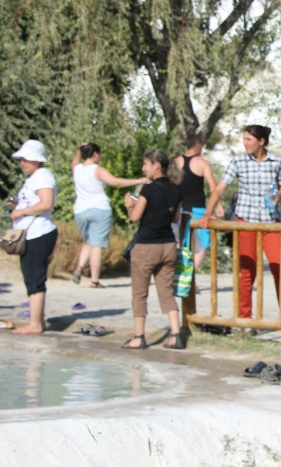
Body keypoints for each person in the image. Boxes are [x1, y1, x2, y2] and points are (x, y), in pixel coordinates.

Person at [198, 124, 281, 321]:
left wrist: (277, 197)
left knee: (279, 268)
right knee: (247, 271)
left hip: (271, 222)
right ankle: (244, 317)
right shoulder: (238, 162)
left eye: (248, 139)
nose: (245, 143)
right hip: (245, 221)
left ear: (261, 141)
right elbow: (220, 188)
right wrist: (207, 213)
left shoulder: (277, 162)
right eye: (244, 139)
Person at [122, 148, 185, 350]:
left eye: (145, 164)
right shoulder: (176, 190)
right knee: (166, 291)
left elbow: (135, 217)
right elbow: (176, 218)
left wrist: (128, 204)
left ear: (156, 165)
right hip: (168, 245)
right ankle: (176, 334)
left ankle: (139, 337)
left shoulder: (148, 189)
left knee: (140, 293)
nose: (143, 168)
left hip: (146, 246)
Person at [70, 143, 147, 288]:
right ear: (95, 154)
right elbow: (115, 182)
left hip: (80, 210)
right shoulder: (97, 170)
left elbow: (75, 161)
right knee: (97, 244)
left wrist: (80, 150)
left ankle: (79, 267)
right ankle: (94, 280)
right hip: (99, 208)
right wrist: (139, 180)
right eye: (99, 154)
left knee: (88, 241)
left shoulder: (77, 169)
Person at [6, 140, 58, 335]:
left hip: (39, 233)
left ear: (37, 160)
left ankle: (35, 324)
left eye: (26, 159)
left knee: (35, 278)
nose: (23, 163)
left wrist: (21, 212)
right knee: (31, 277)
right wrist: (17, 206)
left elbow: (47, 203)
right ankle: (37, 321)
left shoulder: (43, 176)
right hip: (33, 233)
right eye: (21, 160)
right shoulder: (34, 177)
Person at [173, 135, 223, 277]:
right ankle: (190, 276)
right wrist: (218, 205)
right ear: (199, 144)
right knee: (202, 245)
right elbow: (213, 186)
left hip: (179, 209)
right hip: (197, 209)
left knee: (180, 242)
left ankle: (180, 274)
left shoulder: (176, 161)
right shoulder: (202, 163)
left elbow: (170, 185)